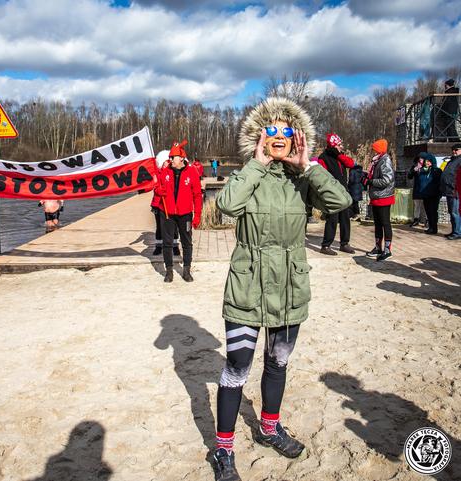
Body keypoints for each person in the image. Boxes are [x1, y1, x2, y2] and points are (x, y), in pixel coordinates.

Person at [213, 98, 351, 480]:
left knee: (278, 362)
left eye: (285, 130)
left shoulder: (303, 178)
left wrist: (307, 167)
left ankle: (269, 428)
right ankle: (223, 450)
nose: (278, 136)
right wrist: (256, 164)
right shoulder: (249, 174)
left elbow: (342, 201)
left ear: (297, 137)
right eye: (270, 130)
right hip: (247, 286)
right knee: (238, 365)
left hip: (290, 287)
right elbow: (226, 205)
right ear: (260, 136)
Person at [153, 139, 202, 282]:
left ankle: (186, 270)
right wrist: (158, 191)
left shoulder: (192, 172)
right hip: (167, 213)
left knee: (187, 243)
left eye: (173, 157)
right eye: (170, 157)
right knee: (167, 243)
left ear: (181, 158)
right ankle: (169, 271)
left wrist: (197, 215)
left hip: (185, 214)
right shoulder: (165, 170)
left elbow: (197, 195)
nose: (171, 160)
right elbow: (156, 186)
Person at [317, 133, 357, 255]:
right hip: (332, 193)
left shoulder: (340, 156)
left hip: (343, 192)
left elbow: (351, 164)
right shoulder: (323, 157)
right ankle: (325, 245)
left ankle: (344, 244)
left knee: (345, 219)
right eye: (339, 145)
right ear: (334, 146)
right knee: (332, 219)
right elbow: (321, 175)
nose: (341, 147)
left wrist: (338, 155)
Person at [363, 139, 396, 261]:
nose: (373, 151)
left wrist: (371, 181)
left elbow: (387, 179)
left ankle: (387, 250)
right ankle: (378, 248)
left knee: (385, 223)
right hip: (377, 196)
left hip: (384, 196)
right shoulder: (377, 160)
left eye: (375, 149)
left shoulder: (385, 160)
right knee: (377, 224)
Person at [151, 150, 180, 256]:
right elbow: (154, 187)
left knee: (174, 225)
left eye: (168, 162)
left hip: (171, 203)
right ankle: (159, 246)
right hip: (158, 204)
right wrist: (157, 186)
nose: (167, 163)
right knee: (159, 226)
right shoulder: (157, 174)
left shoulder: (173, 173)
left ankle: (175, 246)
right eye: (165, 162)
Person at [410, 153, 442, 234]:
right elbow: (416, 179)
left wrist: (439, 193)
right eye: (426, 161)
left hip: (434, 195)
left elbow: (439, 183)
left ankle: (434, 228)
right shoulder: (423, 170)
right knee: (428, 210)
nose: (427, 163)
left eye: (429, 161)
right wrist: (416, 170)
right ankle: (430, 227)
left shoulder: (436, 171)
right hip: (425, 194)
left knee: (433, 212)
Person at [440, 143, 461, 239]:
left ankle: (458, 233)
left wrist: (454, 186)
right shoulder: (452, 161)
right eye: (453, 149)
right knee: (451, 212)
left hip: (455, 191)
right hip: (449, 190)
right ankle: (454, 231)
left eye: (456, 149)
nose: (454, 151)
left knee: (455, 212)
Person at [407, 155, 428, 228]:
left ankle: (427, 220)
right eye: (419, 160)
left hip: (425, 189)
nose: (420, 161)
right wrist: (414, 170)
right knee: (417, 205)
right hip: (417, 189)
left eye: (422, 160)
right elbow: (409, 176)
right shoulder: (414, 167)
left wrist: (422, 169)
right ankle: (416, 219)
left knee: (426, 206)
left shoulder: (427, 167)